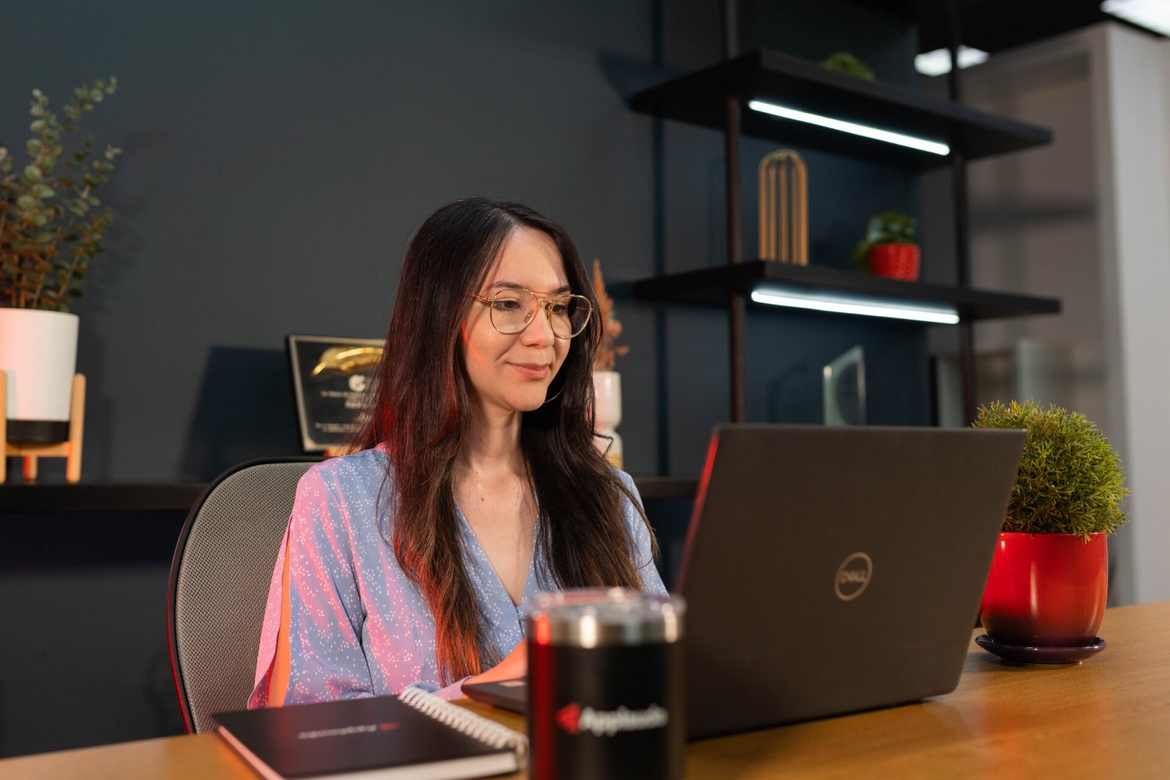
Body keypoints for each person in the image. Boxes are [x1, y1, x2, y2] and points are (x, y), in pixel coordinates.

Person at [249, 197, 665, 707]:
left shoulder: (609, 494)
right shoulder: (340, 500)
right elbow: (305, 724)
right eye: (509, 304)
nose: (544, 335)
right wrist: (477, 694)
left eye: (558, 307)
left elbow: (661, 680)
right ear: (440, 316)